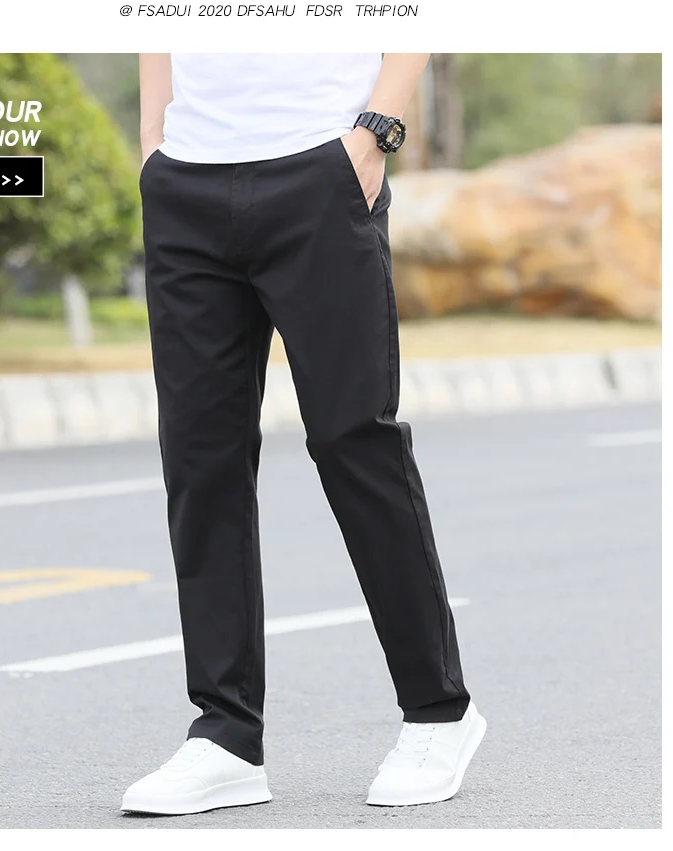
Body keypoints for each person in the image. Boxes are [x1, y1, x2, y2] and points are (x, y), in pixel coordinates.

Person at [121, 53, 486, 816]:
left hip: (322, 167)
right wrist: (153, 142)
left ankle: (438, 711)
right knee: (200, 457)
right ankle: (226, 735)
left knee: (354, 440)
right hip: (186, 179)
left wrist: (374, 132)